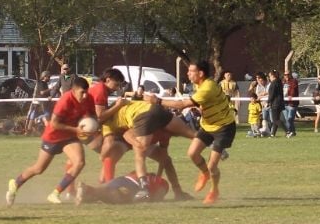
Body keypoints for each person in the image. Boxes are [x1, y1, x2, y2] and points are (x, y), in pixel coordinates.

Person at [149, 61, 236, 205]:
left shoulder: (207, 87)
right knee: (192, 153)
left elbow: (181, 105)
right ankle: (205, 174)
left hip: (223, 127)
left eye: (191, 71)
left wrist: (157, 101)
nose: (188, 73)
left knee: (212, 165)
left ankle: (214, 190)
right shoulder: (200, 85)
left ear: (200, 73)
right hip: (207, 125)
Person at [5, 76, 96, 206]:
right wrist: (77, 129)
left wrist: (91, 125)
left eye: (87, 92)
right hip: (53, 136)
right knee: (38, 169)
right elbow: (54, 124)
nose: (85, 95)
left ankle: (55, 193)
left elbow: (93, 116)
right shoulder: (66, 100)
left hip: (70, 136)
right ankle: (15, 183)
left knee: (79, 162)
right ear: (73, 91)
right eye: (82, 92)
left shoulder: (88, 99)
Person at [74, 173, 170, 205]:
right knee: (119, 199)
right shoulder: (163, 184)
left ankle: (87, 191)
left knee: (104, 195)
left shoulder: (146, 175)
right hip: (134, 184)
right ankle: (86, 190)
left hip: (124, 179)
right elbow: (156, 198)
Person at [266, 70, 284, 137]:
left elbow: (271, 95)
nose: (269, 77)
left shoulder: (273, 83)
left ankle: (288, 131)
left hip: (275, 104)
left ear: (273, 76)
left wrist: (268, 102)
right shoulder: (279, 82)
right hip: (279, 103)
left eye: (269, 76)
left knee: (275, 120)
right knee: (276, 119)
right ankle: (273, 134)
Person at [282, 71, 298, 138]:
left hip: (292, 103)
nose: (286, 76)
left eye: (288, 74)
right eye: (285, 75)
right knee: (287, 119)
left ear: (290, 75)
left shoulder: (293, 81)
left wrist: (291, 95)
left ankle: (289, 131)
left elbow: (293, 89)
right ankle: (292, 132)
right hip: (285, 103)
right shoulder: (283, 82)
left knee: (290, 118)